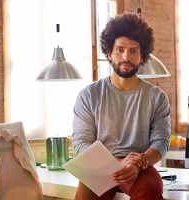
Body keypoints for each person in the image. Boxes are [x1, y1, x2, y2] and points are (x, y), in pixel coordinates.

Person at [72, 12, 171, 200]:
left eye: (133, 51)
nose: (126, 56)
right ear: (109, 53)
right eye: (120, 49)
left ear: (142, 57)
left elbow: (161, 142)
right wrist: (117, 162)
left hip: (140, 168)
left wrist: (137, 163)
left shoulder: (157, 97)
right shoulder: (89, 95)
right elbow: (81, 143)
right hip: (99, 167)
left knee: (150, 187)